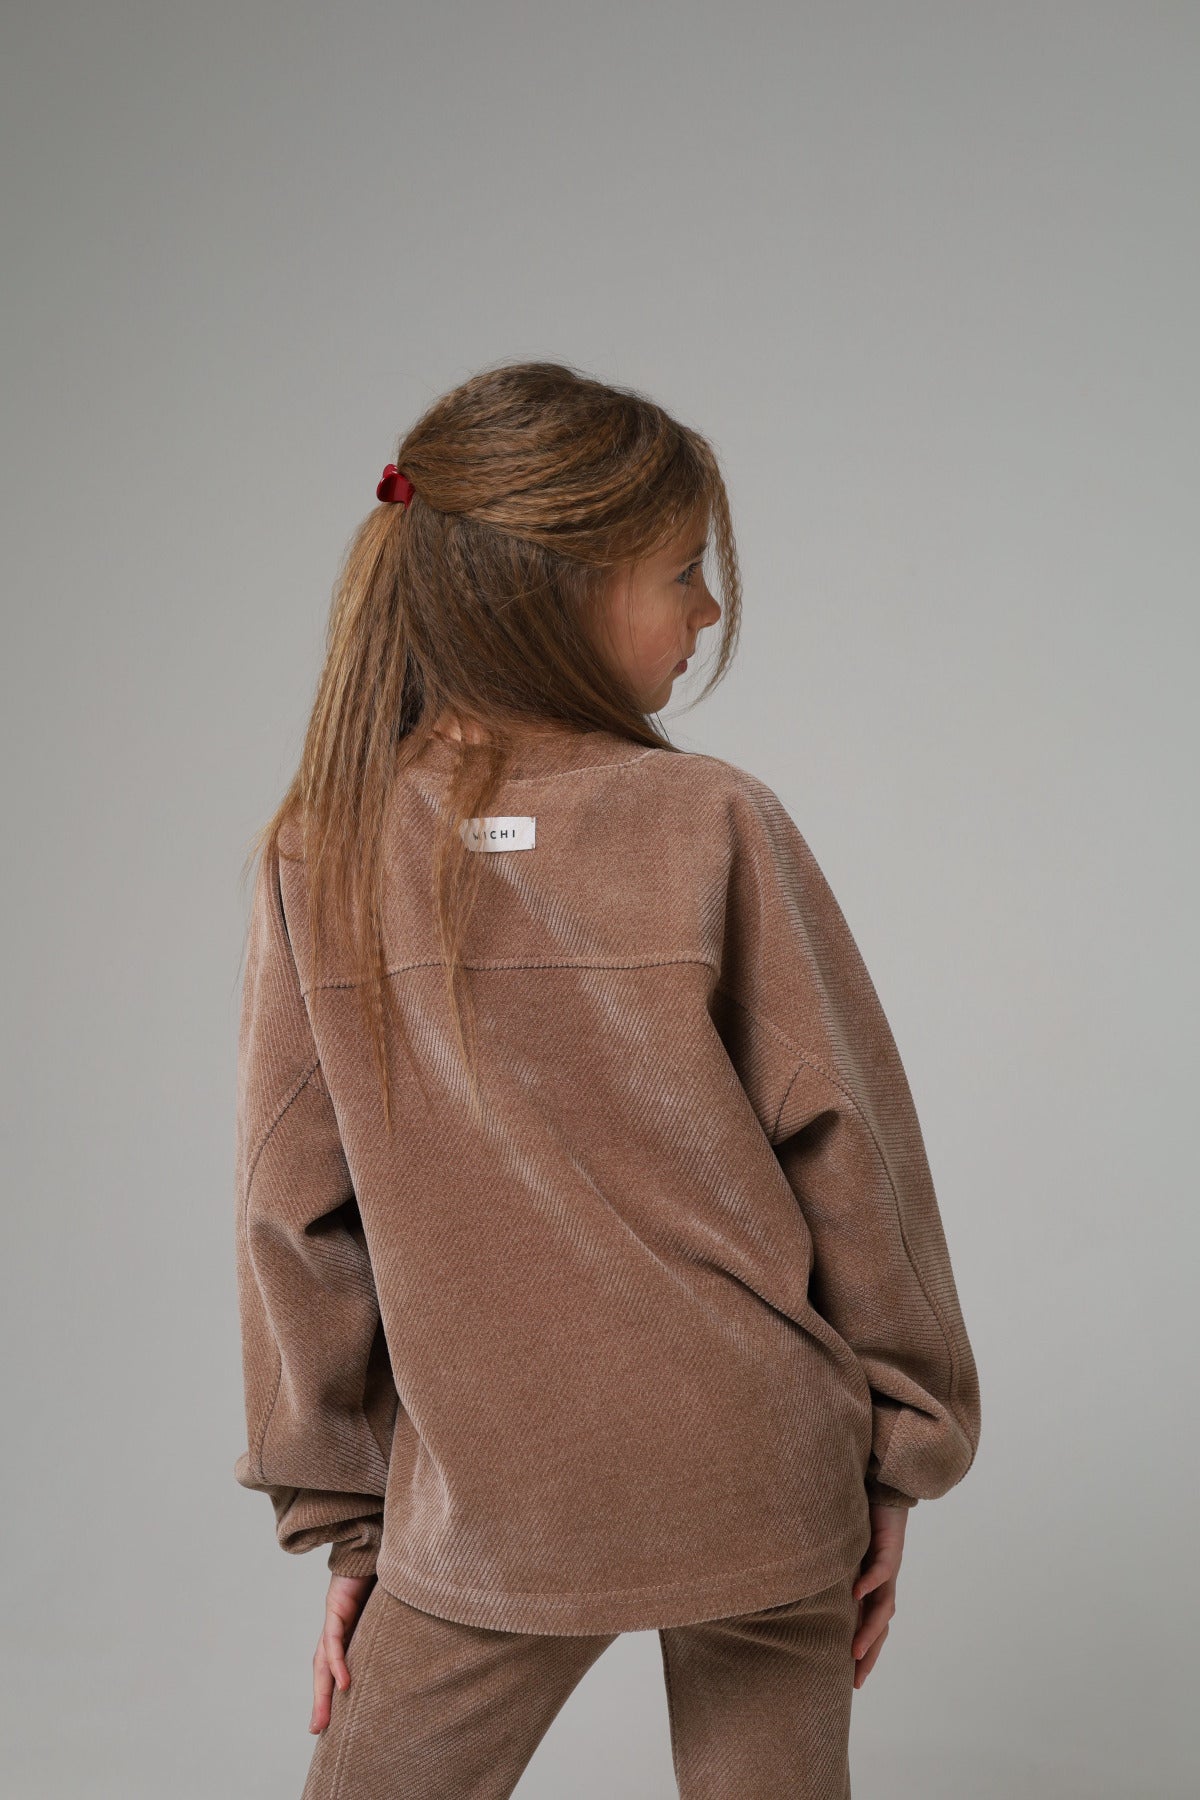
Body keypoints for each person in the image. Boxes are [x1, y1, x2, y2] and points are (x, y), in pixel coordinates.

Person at [231, 358, 981, 1798]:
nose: (709, 613)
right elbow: (857, 1156)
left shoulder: (323, 850)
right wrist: (901, 1450)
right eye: (685, 572)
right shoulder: (715, 821)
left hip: (491, 1502)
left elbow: (292, 1216)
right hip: (760, 1469)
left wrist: (351, 1525)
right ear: (559, 588)